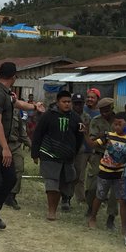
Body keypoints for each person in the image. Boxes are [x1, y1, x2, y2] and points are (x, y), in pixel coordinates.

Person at [0, 62, 45, 235]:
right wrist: (6, 148)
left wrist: (34, 106)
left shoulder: (6, 94)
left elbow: (18, 103)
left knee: (10, 178)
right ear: (14, 77)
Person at [31, 91, 83, 221]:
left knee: (62, 184)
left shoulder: (76, 118)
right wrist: (35, 153)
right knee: (51, 184)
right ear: (58, 102)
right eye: (64, 102)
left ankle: (58, 204)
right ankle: (51, 211)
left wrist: (73, 153)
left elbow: (79, 137)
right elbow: (38, 134)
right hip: (49, 155)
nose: (67, 104)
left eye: (68, 102)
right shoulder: (48, 116)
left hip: (66, 158)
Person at [86, 112, 126, 239]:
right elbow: (93, 144)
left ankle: (124, 227)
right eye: (114, 124)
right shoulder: (108, 136)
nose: (116, 127)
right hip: (105, 171)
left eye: (119, 124)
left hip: (120, 174)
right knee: (99, 195)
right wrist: (85, 134)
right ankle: (92, 217)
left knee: (121, 200)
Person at [86, 97, 119, 230]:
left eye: (106, 110)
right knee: (93, 186)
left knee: (115, 192)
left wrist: (105, 136)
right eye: (101, 110)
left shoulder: (119, 121)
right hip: (99, 156)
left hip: (116, 159)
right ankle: (90, 208)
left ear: (111, 109)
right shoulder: (96, 121)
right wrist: (105, 137)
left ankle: (111, 217)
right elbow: (93, 139)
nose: (104, 113)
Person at [66, 93, 92, 210]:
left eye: (80, 103)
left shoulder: (86, 117)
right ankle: (65, 197)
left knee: (77, 175)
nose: (78, 106)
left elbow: (86, 133)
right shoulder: (67, 115)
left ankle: (69, 196)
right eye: (75, 103)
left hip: (81, 149)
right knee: (66, 174)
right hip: (67, 148)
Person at [4, 108, 32, 210]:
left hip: (14, 145)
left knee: (19, 168)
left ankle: (11, 196)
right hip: (1, 145)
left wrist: (31, 145)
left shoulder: (16, 113)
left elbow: (22, 132)